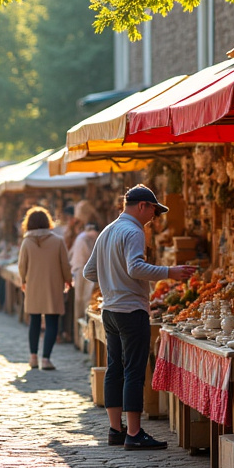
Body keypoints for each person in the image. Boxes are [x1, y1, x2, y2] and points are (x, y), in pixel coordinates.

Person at [83, 185, 195, 451]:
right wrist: (170, 271)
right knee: (134, 370)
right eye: (154, 211)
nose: (154, 218)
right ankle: (134, 433)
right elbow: (135, 267)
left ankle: (115, 429)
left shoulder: (107, 230)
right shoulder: (133, 231)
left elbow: (90, 272)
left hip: (109, 310)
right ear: (142, 205)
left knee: (115, 368)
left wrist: (111, 280)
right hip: (131, 310)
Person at [18, 206, 71, 370]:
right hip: (53, 285)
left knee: (34, 321)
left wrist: (24, 281)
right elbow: (65, 265)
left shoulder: (27, 242)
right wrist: (68, 280)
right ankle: (46, 359)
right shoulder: (58, 241)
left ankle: (33, 357)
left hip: (33, 285)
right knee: (52, 322)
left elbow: (22, 266)